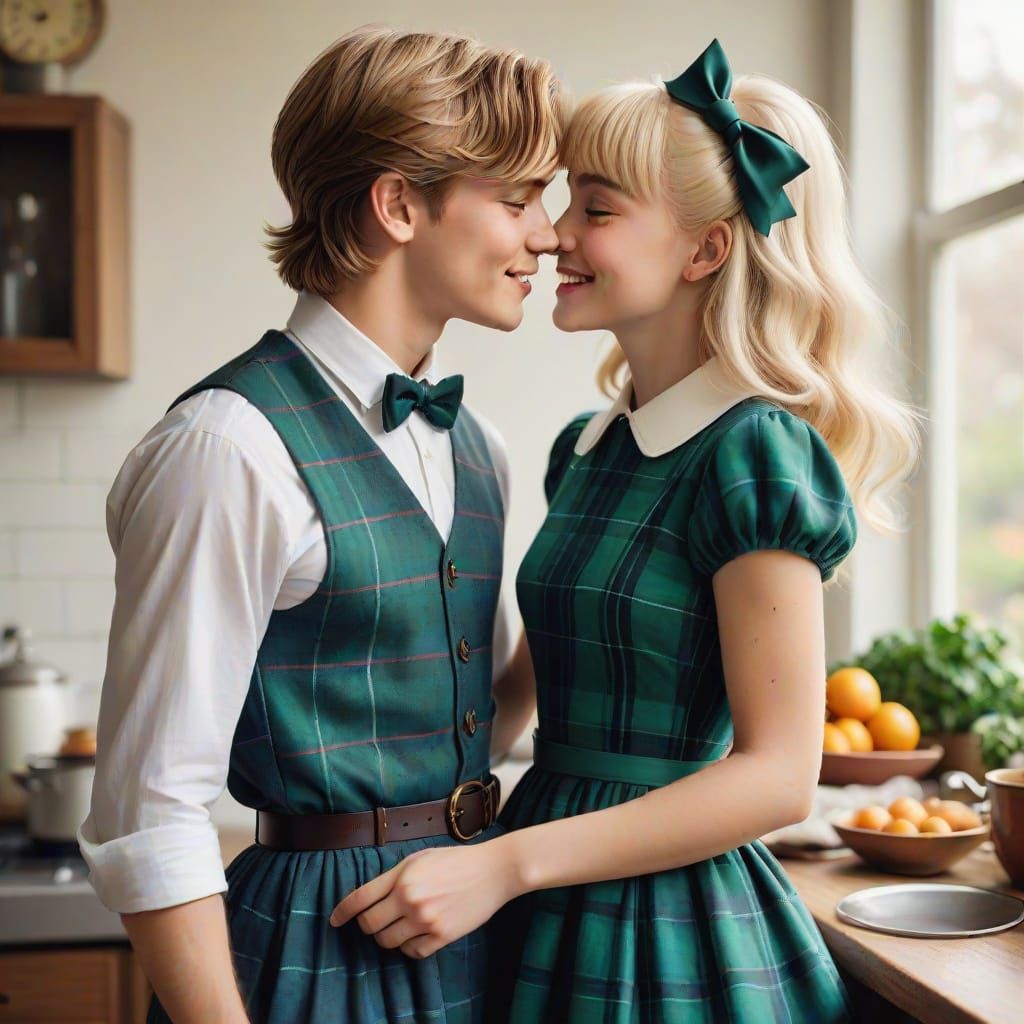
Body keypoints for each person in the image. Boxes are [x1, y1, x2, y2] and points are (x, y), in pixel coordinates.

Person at [331, 38, 920, 1023]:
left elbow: (779, 779)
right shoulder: (586, 449)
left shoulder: (753, 454)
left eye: (596, 210)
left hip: (667, 921)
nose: (553, 235)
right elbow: (520, 700)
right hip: (537, 892)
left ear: (705, 251)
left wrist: (505, 866)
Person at [78, 25, 564, 1024]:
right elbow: (150, 813)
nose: (549, 235)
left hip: (474, 937)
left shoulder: (481, 447)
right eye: (518, 200)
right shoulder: (226, 449)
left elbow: (475, 723)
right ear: (398, 205)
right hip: (306, 953)